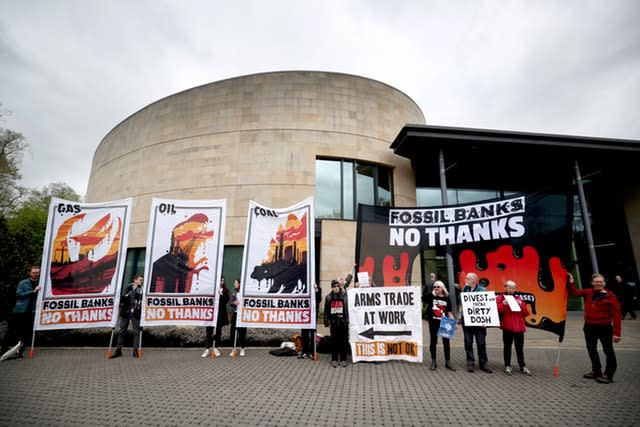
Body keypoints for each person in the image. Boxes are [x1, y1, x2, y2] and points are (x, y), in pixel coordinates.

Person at [568, 273, 621, 383]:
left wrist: (617, 333)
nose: (598, 283)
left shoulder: (611, 297)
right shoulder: (588, 292)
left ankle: (608, 375)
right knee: (591, 349)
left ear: (604, 283)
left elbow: (617, 316)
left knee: (608, 351)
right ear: (592, 283)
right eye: (596, 281)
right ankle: (596, 371)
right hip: (589, 327)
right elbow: (574, 293)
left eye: (600, 281)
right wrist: (572, 281)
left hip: (605, 328)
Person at [1, 266, 41, 361]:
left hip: (31, 312)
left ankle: (20, 353)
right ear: (30, 273)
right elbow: (19, 294)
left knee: (26, 334)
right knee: (10, 332)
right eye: (34, 272)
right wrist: (33, 291)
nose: (35, 274)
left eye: (37, 272)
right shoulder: (23, 283)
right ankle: (3, 350)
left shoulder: (41, 283)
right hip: (19, 311)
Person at [496, 280, 531, 376]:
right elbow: (497, 310)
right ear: (505, 288)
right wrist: (503, 304)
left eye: (513, 288)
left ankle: (522, 366)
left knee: (519, 348)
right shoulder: (500, 298)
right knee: (507, 347)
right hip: (507, 327)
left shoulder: (519, 298)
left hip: (519, 327)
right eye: (510, 287)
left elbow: (526, 313)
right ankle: (507, 366)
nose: (511, 290)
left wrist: (521, 306)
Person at [459, 272, 492, 373]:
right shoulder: (465, 289)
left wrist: (486, 320)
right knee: (468, 342)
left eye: (468, 278)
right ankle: (470, 363)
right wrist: (460, 313)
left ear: (473, 280)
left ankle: (483, 363)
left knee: (481, 343)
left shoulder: (482, 290)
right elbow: (461, 303)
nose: (466, 280)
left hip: (479, 322)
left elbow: (487, 305)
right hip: (467, 320)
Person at [424, 280, 456, 371]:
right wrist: (432, 293)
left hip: (445, 322)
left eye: (438, 287)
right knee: (433, 342)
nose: (436, 288)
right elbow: (423, 299)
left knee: (446, 342)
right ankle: (433, 361)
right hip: (433, 322)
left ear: (442, 288)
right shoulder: (431, 297)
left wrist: (454, 321)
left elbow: (449, 312)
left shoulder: (446, 299)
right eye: (434, 287)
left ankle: (448, 362)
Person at [111, 275, 144, 358]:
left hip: (136, 312)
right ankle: (118, 350)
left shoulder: (142, 290)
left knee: (136, 332)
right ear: (135, 280)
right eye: (140, 280)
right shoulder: (128, 288)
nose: (141, 281)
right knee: (122, 331)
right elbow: (123, 299)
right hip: (126, 312)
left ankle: (135, 350)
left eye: (142, 280)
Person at [202, 276, 230, 357]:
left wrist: (221, 294)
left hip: (220, 314)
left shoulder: (225, 290)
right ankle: (207, 349)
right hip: (211, 313)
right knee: (209, 331)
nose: (222, 282)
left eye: (223, 280)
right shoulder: (212, 288)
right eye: (221, 280)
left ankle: (216, 348)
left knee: (218, 331)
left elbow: (226, 300)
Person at [324, 279, 349, 367]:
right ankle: (334, 359)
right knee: (334, 341)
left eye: (337, 286)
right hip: (334, 322)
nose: (336, 288)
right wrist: (326, 321)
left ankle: (343, 359)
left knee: (344, 341)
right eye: (334, 286)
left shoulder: (345, 295)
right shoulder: (328, 297)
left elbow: (348, 308)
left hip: (343, 322)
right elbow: (326, 310)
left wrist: (347, 320)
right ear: (332, 288)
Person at [299, 282, 321, 359]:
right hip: (304, 315)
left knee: (313, 334)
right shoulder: (303, 289)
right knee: (304, 333)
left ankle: (312, 352)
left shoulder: (317, 289)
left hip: (313, 316)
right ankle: (304, 351)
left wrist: (316, 290)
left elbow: (319, 299)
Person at [229, 278, 247, 357]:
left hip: (242, 314)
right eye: (234, 283)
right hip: (235, 313)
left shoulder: (244, 292)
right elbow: (231, 303)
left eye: (236, 283)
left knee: (242, 332)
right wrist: (234, 303)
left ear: (239, 284)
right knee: (233, 331)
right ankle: (233, 348)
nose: (234, 284)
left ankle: (242, 348)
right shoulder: (234, 292)